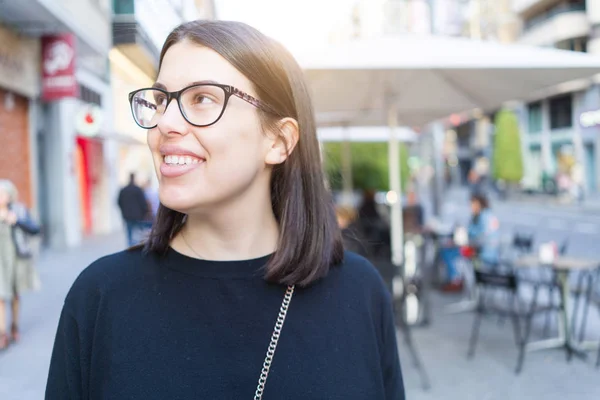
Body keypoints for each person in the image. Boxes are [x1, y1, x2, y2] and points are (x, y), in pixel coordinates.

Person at [46, 20, 404, 399]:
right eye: (162, 100)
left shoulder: (359, 293)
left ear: (279, 141)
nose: (165, 123)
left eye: (202, 99)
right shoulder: (101, 296)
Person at [0, 179, 41, 350]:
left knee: (15, 295)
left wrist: (15, 221)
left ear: (10, 196)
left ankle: (14, 326)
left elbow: (35, 229)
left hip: (17, 259)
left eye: (3, 194)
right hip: (1, 261)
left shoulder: (19, 210)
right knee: (1, 296)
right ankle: (2, 334)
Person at [439, 193, 500, 292]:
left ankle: (455, 281)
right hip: (486, 251)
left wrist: (460, 242)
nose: (471, 207)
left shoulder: (483, 217)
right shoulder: (486, 215)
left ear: (479, 204)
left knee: (448, 252)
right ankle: (456, 279)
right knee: (450, 250)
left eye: (473, 204)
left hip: (482, 252)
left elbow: (479, 238)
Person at [117, 173, 151, 246]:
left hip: (127, 215)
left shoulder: (124, 190)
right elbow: (143, 203)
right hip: (137, 215)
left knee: (129, 233)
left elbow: (119, 202)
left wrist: (123, 211)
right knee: (137, 233)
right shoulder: (137, 190)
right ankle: (136, 248)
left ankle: (130, 247)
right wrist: (144, 213)